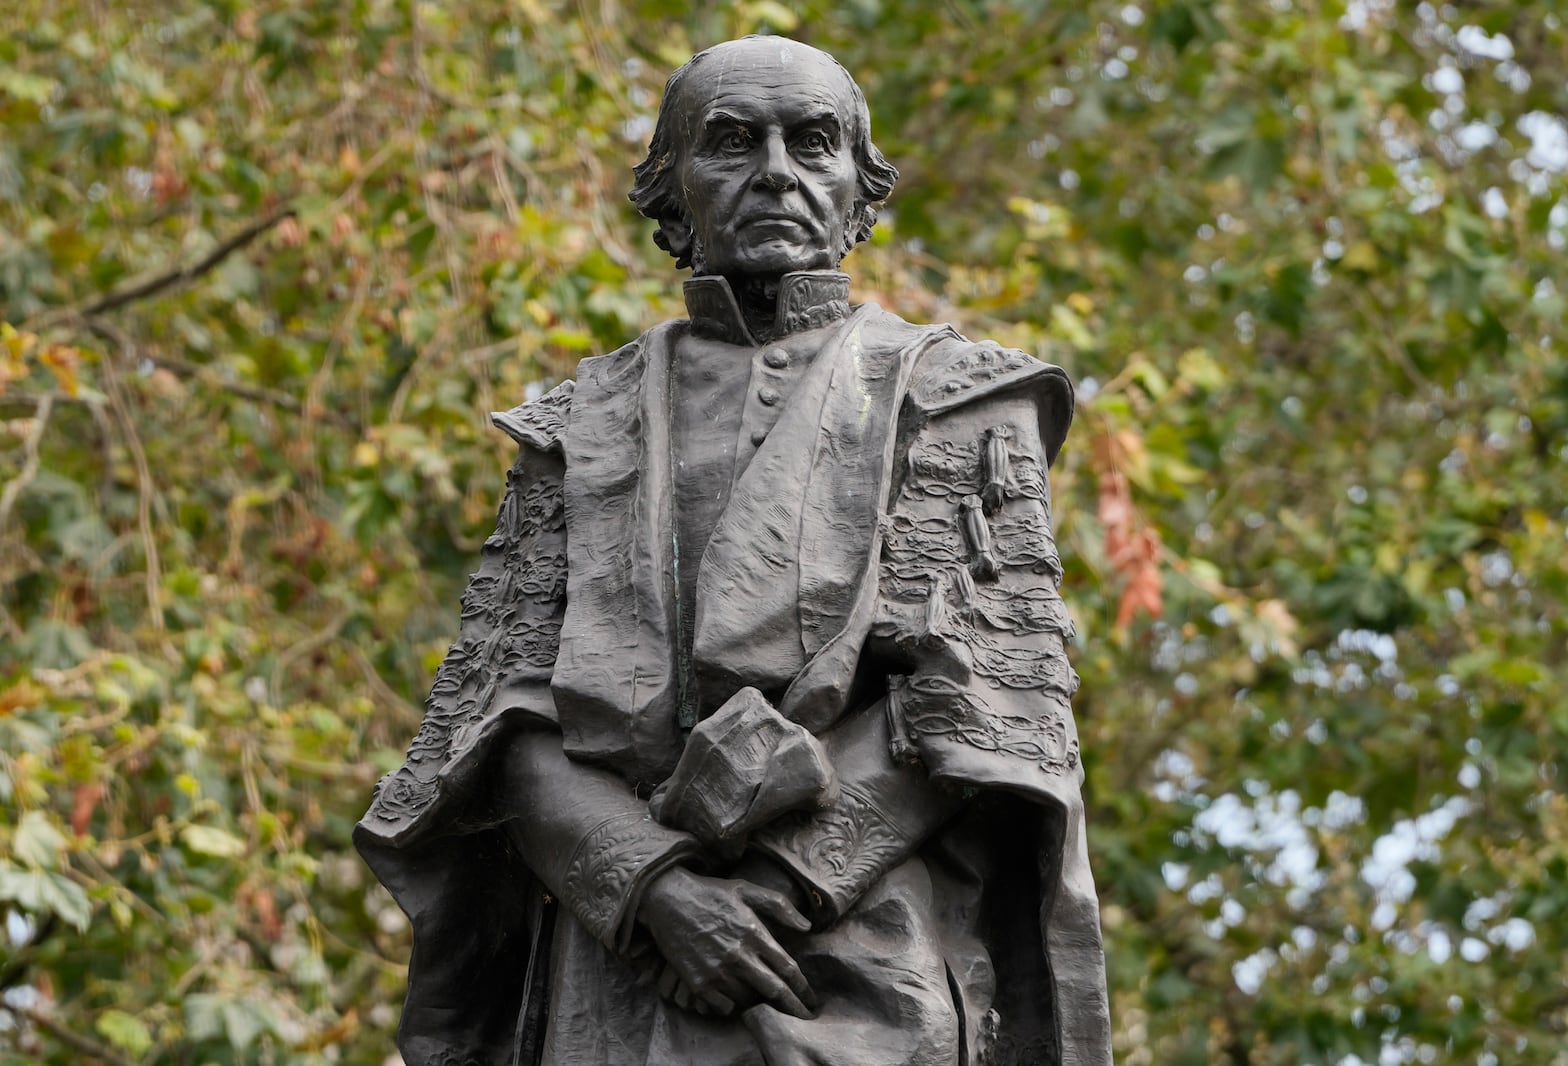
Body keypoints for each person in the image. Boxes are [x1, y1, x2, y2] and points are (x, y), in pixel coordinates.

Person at [355, 35, 1111, 1066]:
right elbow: (500, 724)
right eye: (729, 143)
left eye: (812, 143)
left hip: (864, 968)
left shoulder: (961, 395)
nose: (775, 173)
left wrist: (774, 889)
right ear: (673, 191)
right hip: (613, 975)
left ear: (858, 189)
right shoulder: (576, 424)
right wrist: (652, 890)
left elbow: (981, 705)